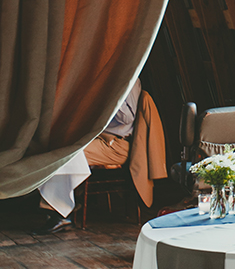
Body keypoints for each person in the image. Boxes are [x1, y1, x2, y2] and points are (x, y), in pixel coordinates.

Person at [34, 80, 149, 232]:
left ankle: (58, 213)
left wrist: (110, 95)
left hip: (118, 145)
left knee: (68, 153)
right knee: (58, 145)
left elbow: (127, 118)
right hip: (99, 139)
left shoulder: (130, 79)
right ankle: (64, 204)